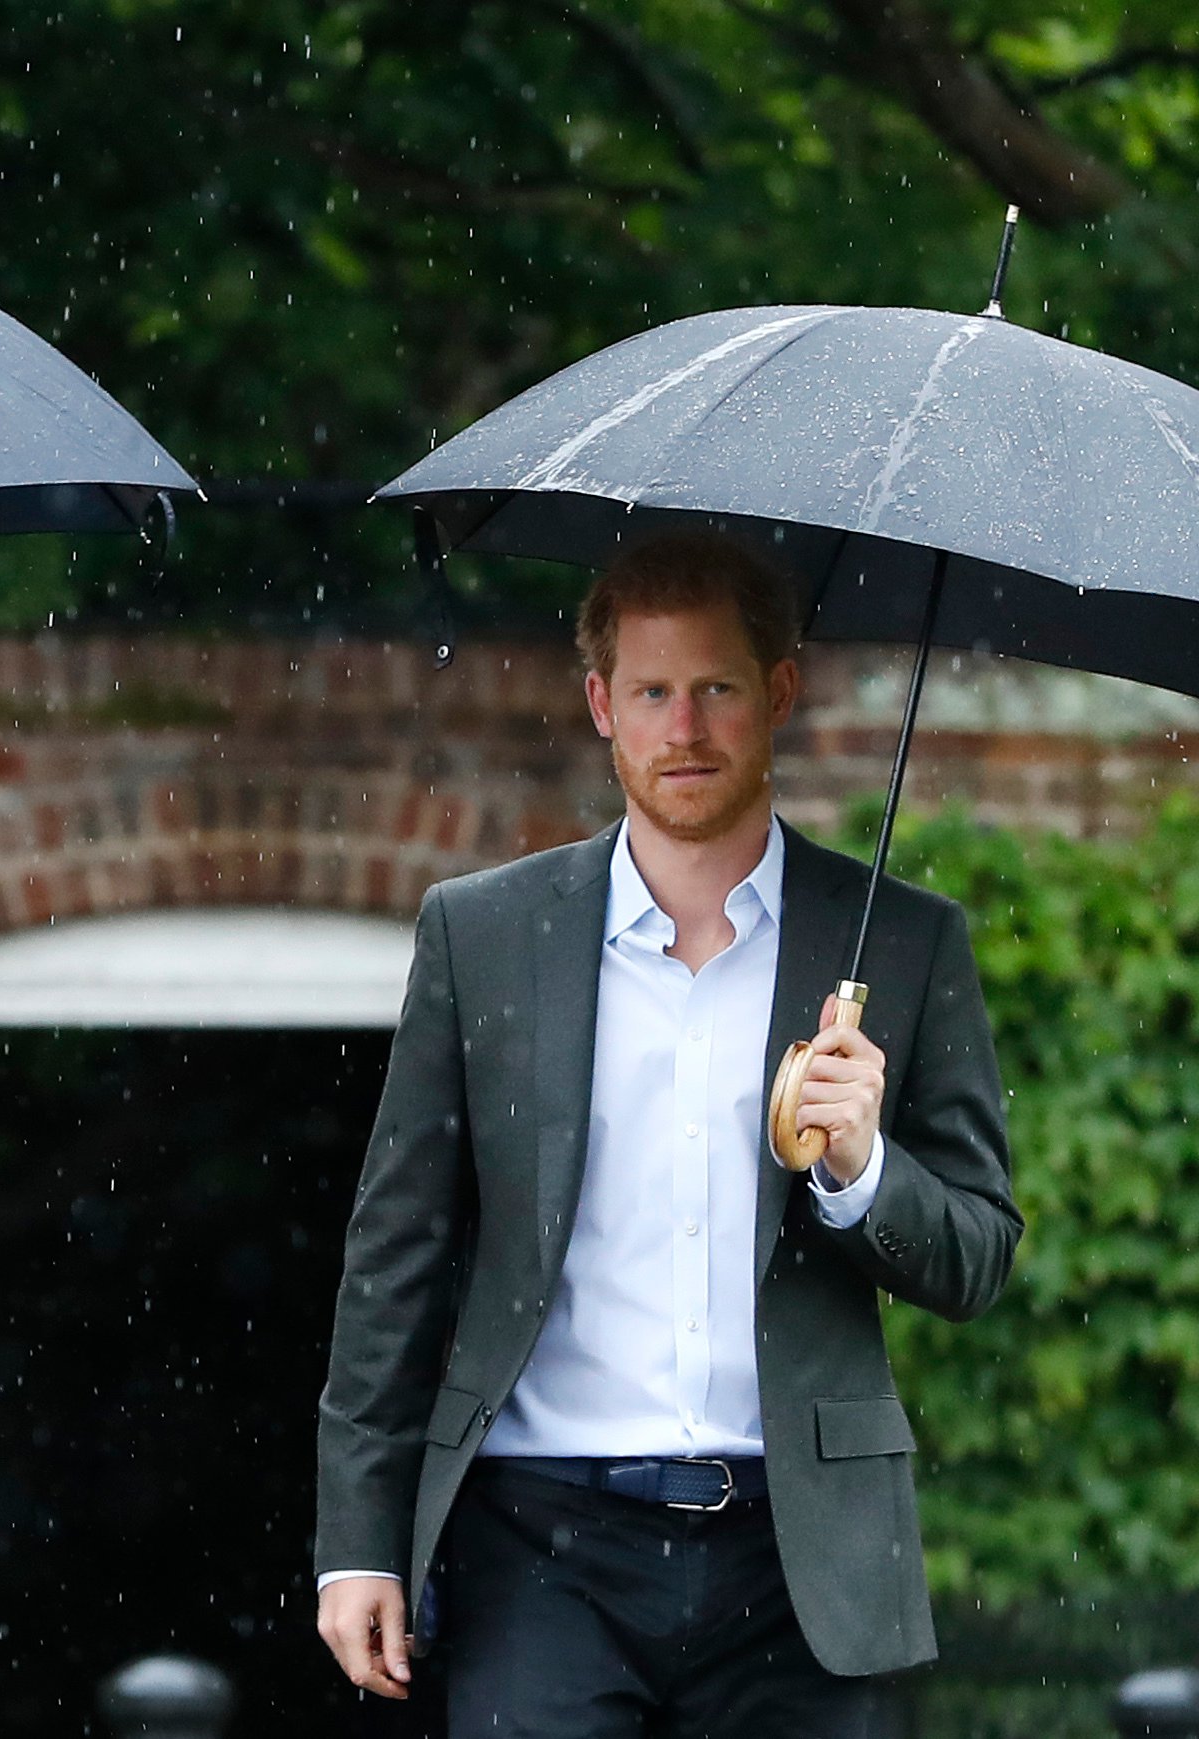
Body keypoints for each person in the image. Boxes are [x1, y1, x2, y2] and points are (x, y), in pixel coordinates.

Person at [312, 531, 1022, 1737]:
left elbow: (977, 1252)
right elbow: (398, 1255)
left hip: (797, 1558)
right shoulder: (480, 936)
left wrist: (860, 1167)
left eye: (717, 688)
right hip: (541, 1545)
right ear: (601, 703)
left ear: (779, 693)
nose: (682, 726)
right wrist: (355, 1544)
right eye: (650, 690)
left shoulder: (897, 943)